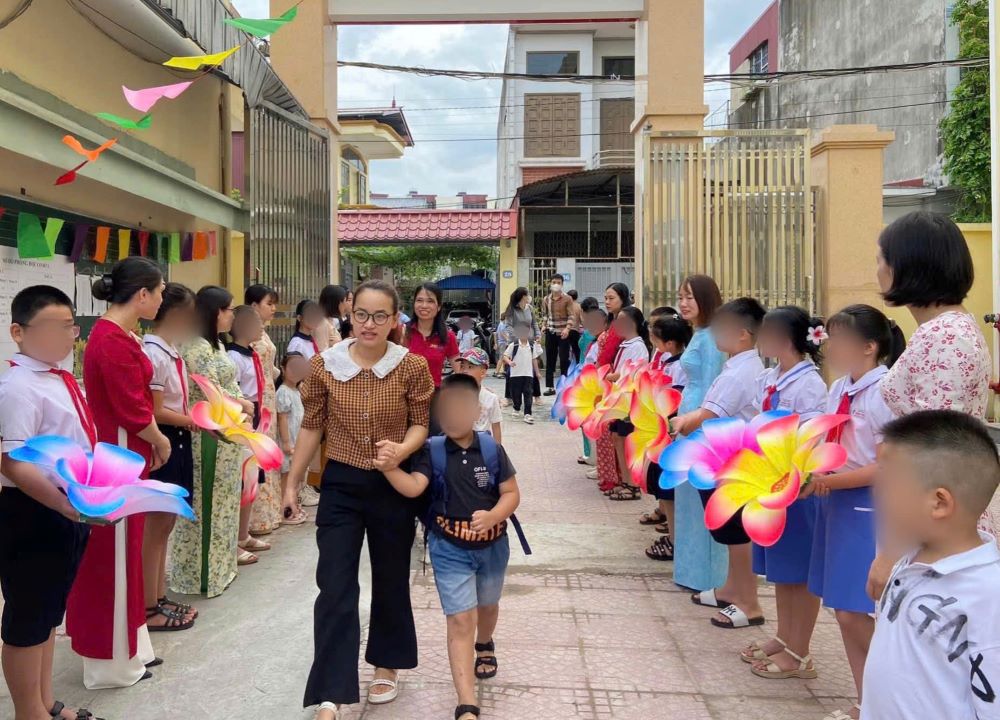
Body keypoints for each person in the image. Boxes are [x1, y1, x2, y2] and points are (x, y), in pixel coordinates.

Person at [286, 280, 434, 719]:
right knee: (334, 584)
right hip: (342, 484)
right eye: (362, 315)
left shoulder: (410, 367)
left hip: (392, 483)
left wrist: (402, 451)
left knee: (390, 578)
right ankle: (331, 688)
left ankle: (387, 663)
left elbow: (421, 423)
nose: (370, 324)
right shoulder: (325, 366)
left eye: (380, 316)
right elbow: (312, 426)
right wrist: (292, 483)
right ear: (350, 315)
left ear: (395, 320)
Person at [381, 373, 521, 720]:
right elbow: (415, 488)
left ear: (477, 410)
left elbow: (511, 493)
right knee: (460, 620)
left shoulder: (491, 449)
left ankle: (485, 644)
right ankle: (467, 703)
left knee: (487, 606)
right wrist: (388, 468)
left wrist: (492, 516)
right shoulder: (431, 450)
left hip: (493, 547)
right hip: (449, 549)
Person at [869, 211, 994, 601]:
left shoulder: (944, 337)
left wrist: (892, 552)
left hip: (935, 529)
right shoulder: (946, 330)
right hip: (931, 518)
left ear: (907, 265)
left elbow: (933, 454)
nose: (877, 268)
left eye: (881, 258)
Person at [0, 286, 103, 720]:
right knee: (27, 615)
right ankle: (29, 713)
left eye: (69, 328)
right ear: (18, 332)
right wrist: (64, 507)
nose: (65, 338)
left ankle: (44, 703)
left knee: (47, 611)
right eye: (52, 328)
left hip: (65, 508)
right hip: (32, 510)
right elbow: (10, 462)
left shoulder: (56, 377)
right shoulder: (18, 386)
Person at [860, 411, 1000, 720]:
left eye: (889, 483)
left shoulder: (989, 594)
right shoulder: (908, 562)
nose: (877, 494)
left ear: (939, 502)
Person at [74, 257, 169, 688]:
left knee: (126, 550)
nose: (164, 298)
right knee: (112, 554)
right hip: (119, 453)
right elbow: (132, 408)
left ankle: (131, 647)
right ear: (143, 294)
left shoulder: (117, 334)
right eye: (161, 291)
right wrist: (160, 438)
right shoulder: (111, 340)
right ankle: (110, 659)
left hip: (124, 450)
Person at [807, 305, 904, 720]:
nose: (832, 347)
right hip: (837, 501)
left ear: (869, 347)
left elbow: (887, 465)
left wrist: (829, 481)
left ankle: (885, 701)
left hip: (867, 506)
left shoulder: (883, 393)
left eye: (842, 339)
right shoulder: (840, 388)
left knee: (856, 610)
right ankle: (867, 701)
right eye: (830, 339)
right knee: (844, 611)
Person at [744, 307, 828, 680]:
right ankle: (784, 635)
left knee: (799, 572)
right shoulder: (769, 377)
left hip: (798, 488)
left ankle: (800, 651)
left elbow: (812, 438)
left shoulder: (810, 384)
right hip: (770, 483)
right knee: (781, 570)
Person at [674, 298, 766, 618]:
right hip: (724, 460)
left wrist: (683, 422)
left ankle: (748, 602)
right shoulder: (738, 365)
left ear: (742, 334)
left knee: (739, 535)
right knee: (729, 533)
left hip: (735, 464)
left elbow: (710, 413)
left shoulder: (742, 371)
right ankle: (731, 588)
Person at [172, 286, 252, 598]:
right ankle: (200, 575)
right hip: (208, 434)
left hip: (228, 432)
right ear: (215, 311)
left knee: (224, 504)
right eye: (230, 309)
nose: (233, 315)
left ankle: (220, 568)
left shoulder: (215, 345)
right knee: (207, 504)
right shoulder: (196, 346)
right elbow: (210, 390)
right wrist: (243, 405)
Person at [142, 282, 199, 631]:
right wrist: (194, 421)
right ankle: (149, 606)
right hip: (167, 438)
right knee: (157, 525)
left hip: (178, 436)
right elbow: (155, 411)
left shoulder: (170, 350)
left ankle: (158, 596)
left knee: (167, 523)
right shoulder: (154, 353)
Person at [669, 275, 725, 592]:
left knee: (702, 499)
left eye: (690, 296)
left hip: (701, 423)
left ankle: (709, 577)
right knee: (689, 498)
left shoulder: (712, 337)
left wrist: (698, 421)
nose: (684, 303)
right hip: (687, 421)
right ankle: (690, 572)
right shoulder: (699, 334)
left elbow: (714, 385)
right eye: (680, 297)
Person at [643, 311, 693, 561]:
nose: (653, 341)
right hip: (662, 431)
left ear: (670, 343)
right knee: (663, 489)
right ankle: (674, 536)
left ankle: (675, 540)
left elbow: (673, 400)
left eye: (656, 338)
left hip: (669, 434)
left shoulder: (679, 367)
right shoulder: (668, 361)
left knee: (668, 490)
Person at [226, 305, 271, 566]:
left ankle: (244, 534)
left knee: (253, 479)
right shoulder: (233, 356)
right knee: (243, 479)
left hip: (257, 414)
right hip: (242, 418)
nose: (261, 326)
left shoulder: (251, 353)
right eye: (255, 322)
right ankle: (236, 538)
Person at [246, 284, 283, 537]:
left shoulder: (264, 332)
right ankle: (256, 520)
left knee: (268, 450)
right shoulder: (250, 332)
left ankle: (268, 515)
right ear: (253, 305)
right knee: (258, 452)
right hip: (259, 394)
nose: (273, 309)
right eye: (268, 303)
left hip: (269, 392)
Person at [605, 306, 651, 501]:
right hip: (620, 399)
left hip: (629, 400)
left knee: (626, 441)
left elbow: (634, 373)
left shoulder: (637, 346)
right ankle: (624, 481)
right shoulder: (626, 344)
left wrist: (613, 376)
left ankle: (632, 485)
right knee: (617, 438)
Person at [594, 283, 632, 491]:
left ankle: (616, 477)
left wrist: (600, 375)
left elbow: (607, 355)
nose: (607, 302)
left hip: (612, 380)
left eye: (611, 298)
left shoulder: (622, 323)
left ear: (623, 298)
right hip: (607, 377)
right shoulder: (613, 321)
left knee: (611, 431)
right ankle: (612, 475)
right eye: (606, 298)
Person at [275, 352, 308, 526]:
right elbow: (283, 418)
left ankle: (294, 505)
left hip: (299, 438)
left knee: (298, 475)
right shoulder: (283, 392)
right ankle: (285, 510)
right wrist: (287, 442)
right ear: (283, 369)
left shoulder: (298, 390)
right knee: (287, 476)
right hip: (290, 440)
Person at [576, 297, 606, 466]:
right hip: (584, 374)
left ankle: (591, 455)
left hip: (589, 378)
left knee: (588, 419)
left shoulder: (590, 333)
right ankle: (591, 455)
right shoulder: (589, 332)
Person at [456, 348, 502, 443]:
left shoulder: (491, 398)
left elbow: (496, 427)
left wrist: (498, 451)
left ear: (483, 372)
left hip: (481, 446)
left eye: (470, 367)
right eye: (462, 366)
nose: (464, 371)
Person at [542, 274, 577, 395]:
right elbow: (545, 315)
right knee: (550, 359)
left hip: (563, 333)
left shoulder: (567, 299)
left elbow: (571, 315)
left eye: (558, 282)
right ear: (550, 284)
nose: (556, 284)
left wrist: (567, 329)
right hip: (551, 332)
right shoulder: (546, 299)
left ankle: (564, 385)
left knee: (564, 359)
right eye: (554, 282)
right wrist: (543, 325)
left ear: (562, 284)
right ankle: (550, 387)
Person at [503, 322, 542, 425]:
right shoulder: (514, 345)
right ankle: (516, 408)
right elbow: (505, 356)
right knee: (516, 394)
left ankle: (528, 414)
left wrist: (537, 373)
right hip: (515, 374)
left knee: (528, 393)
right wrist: (510, 362)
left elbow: (534, 360)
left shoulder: (532, 346)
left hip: (528, 374)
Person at [317, 284, 351, 351]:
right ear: (336, 303)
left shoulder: (330, 320)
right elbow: (321, 354)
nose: (345, 304)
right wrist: (339, 344)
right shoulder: (322, 324)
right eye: (345, 301)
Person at [567, 289, 583, 364]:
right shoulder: (579, 307)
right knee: (576, 350)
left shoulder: (566, 306)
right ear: (576, 297)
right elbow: (582, 320)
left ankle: (566, 368)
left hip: (565, 330)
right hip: (575, 331)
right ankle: (577, 365)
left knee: (565, 351)